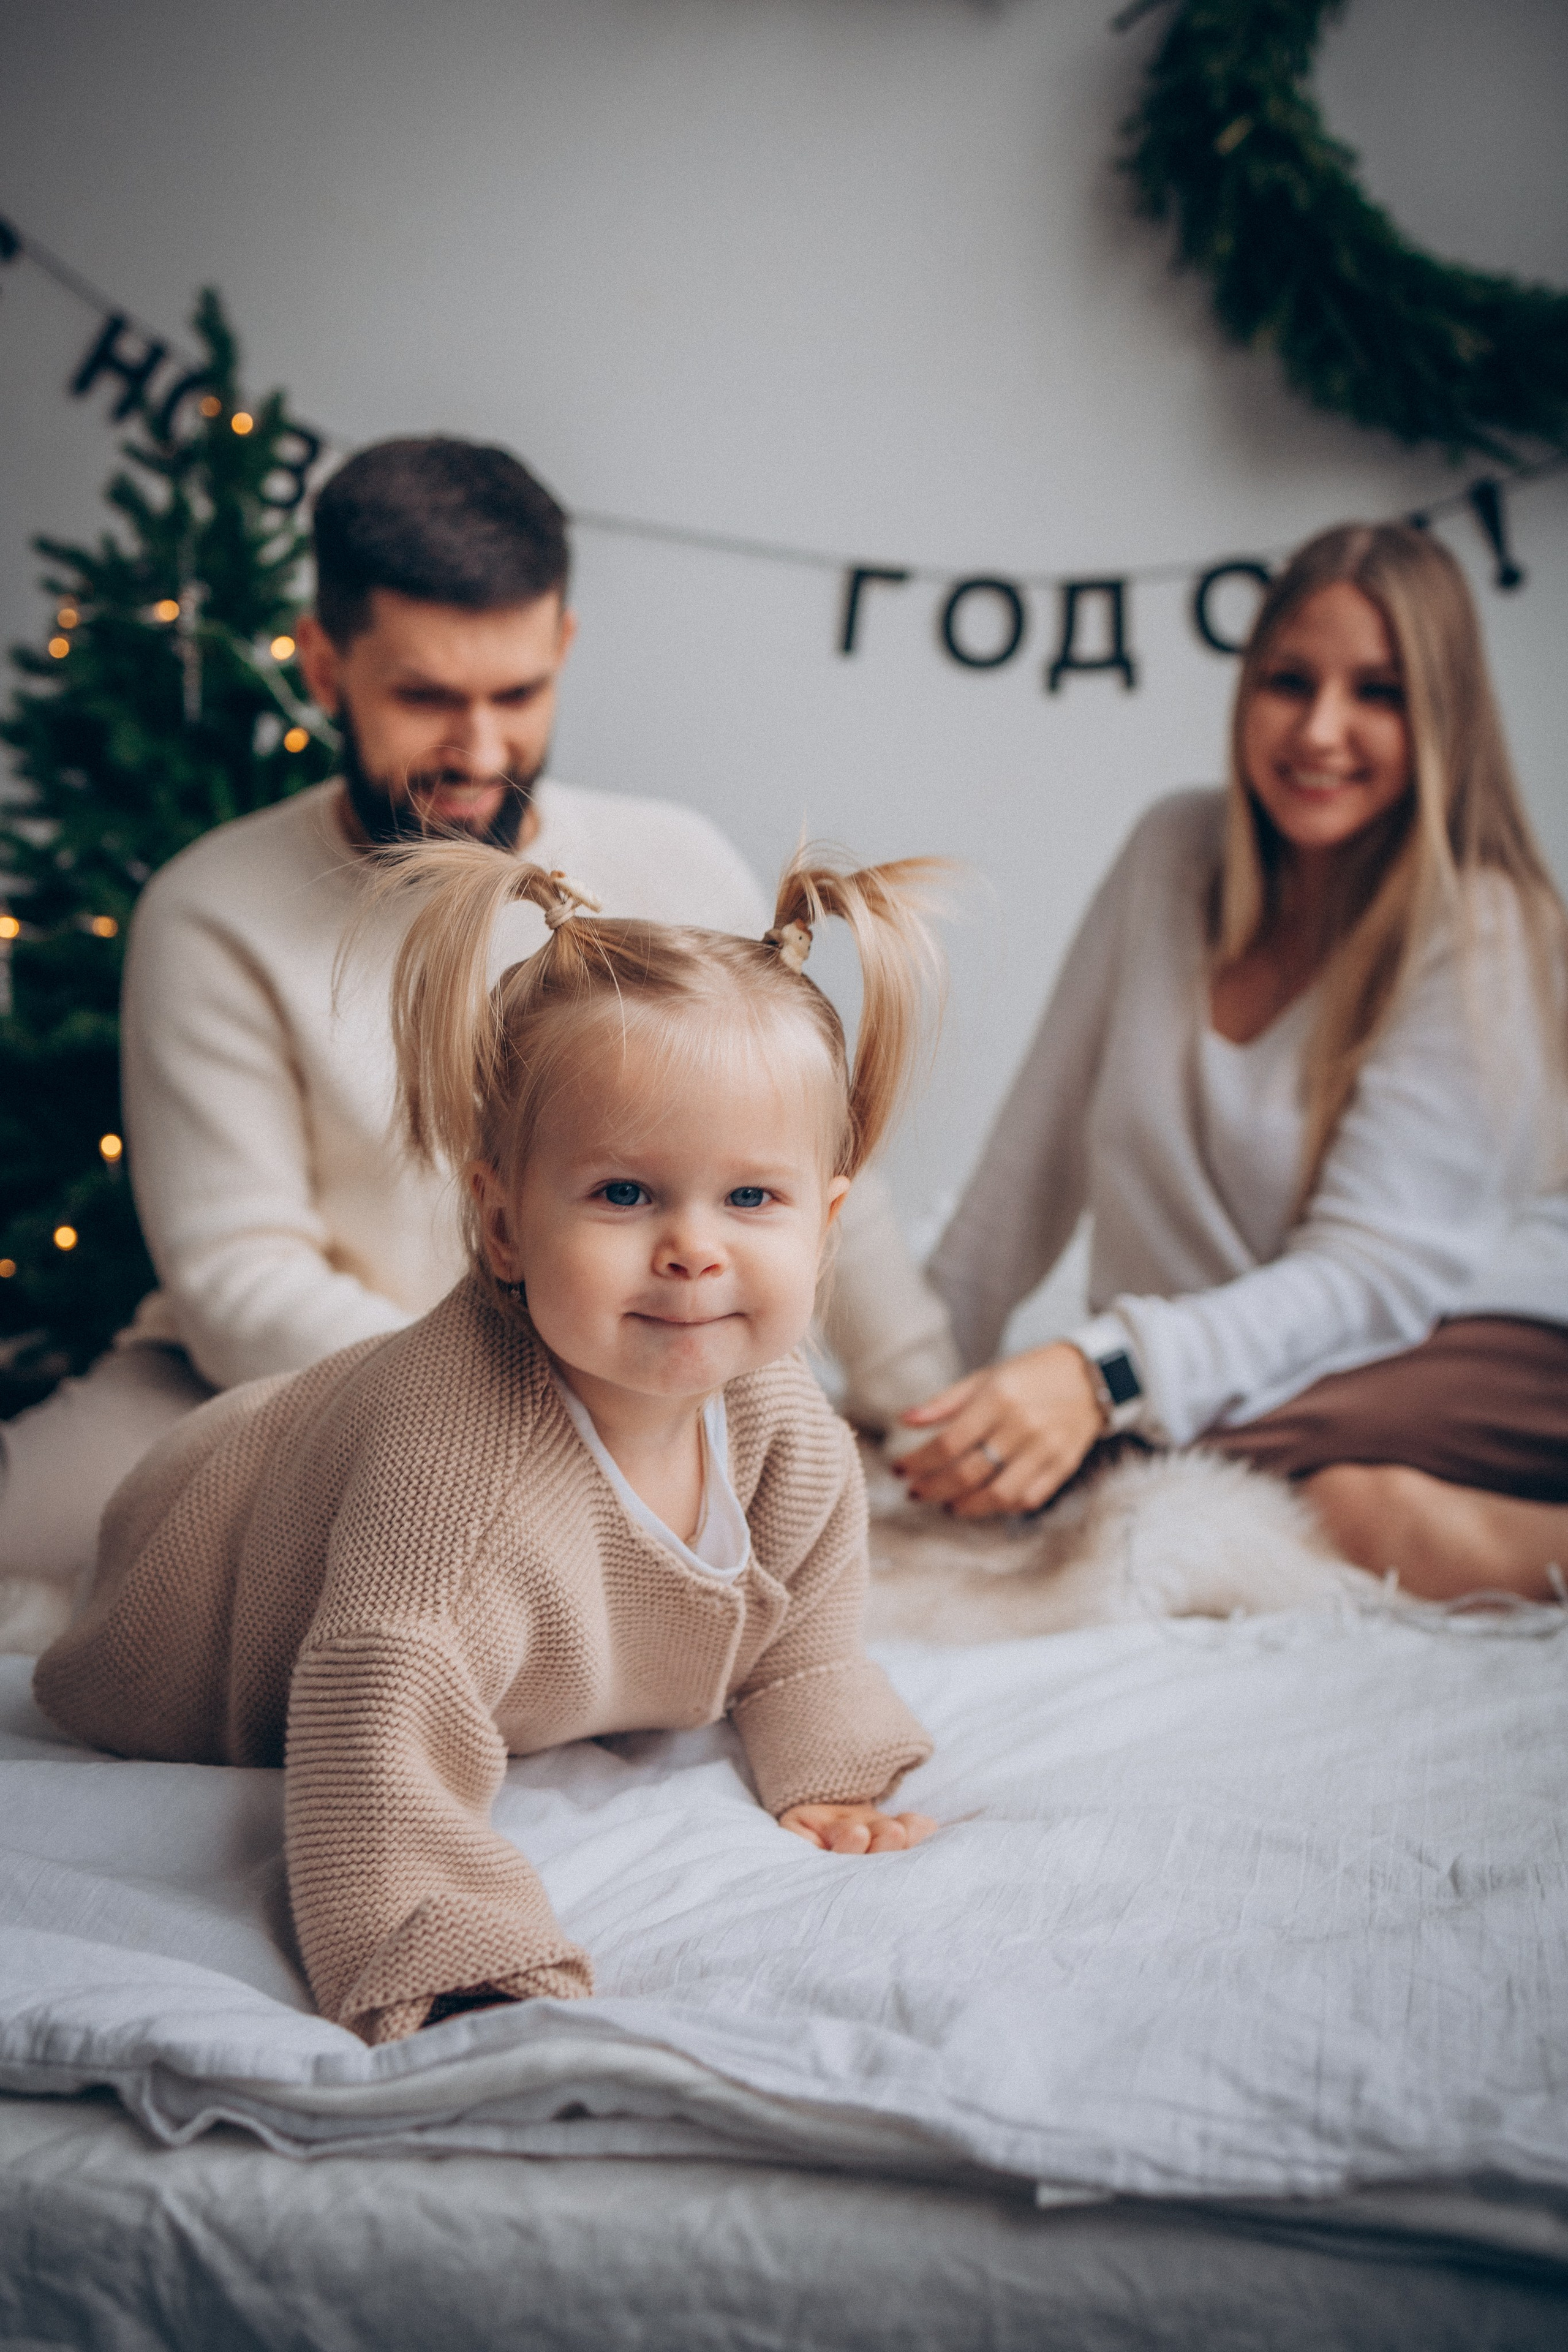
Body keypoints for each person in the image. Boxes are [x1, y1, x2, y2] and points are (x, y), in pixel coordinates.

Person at [0, 438, 957, 1610]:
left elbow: (810, 1169)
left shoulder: (674, 857)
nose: (485, 751)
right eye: (426, 699)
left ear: (562, 646)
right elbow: (240, 1285)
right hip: (285, 1387)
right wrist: (526, 1418)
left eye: (518, 693)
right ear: (323, 665)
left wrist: (921, 1400)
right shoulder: (212, 911)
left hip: (638, 1368)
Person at [35, 846, 943, 2043]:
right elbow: (375, 1709)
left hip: (337, 1458)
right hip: (205, 1582)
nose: (692, 1248)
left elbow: (804, 1636)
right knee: (350, 1555)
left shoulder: (790, 1438)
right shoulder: (454, 1474)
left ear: (824, 1223)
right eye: (624, 1194)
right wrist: (442, 1937)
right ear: (502, 1222)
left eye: (751, 1199)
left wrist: (826, 1767)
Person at [896, 522, 1568, 1600]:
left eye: (1379, 694)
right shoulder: (1173, 850)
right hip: (1246, 1367)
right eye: (1289, 682)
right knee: (1237, 1485)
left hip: (1467, 1345)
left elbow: (1372, 1276)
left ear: (1441, 717)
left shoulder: (1486, 927)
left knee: (1122, 1469)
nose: (1321, 731)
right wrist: (905, 1396)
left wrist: (1104, 1370)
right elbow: (1029, 1166)